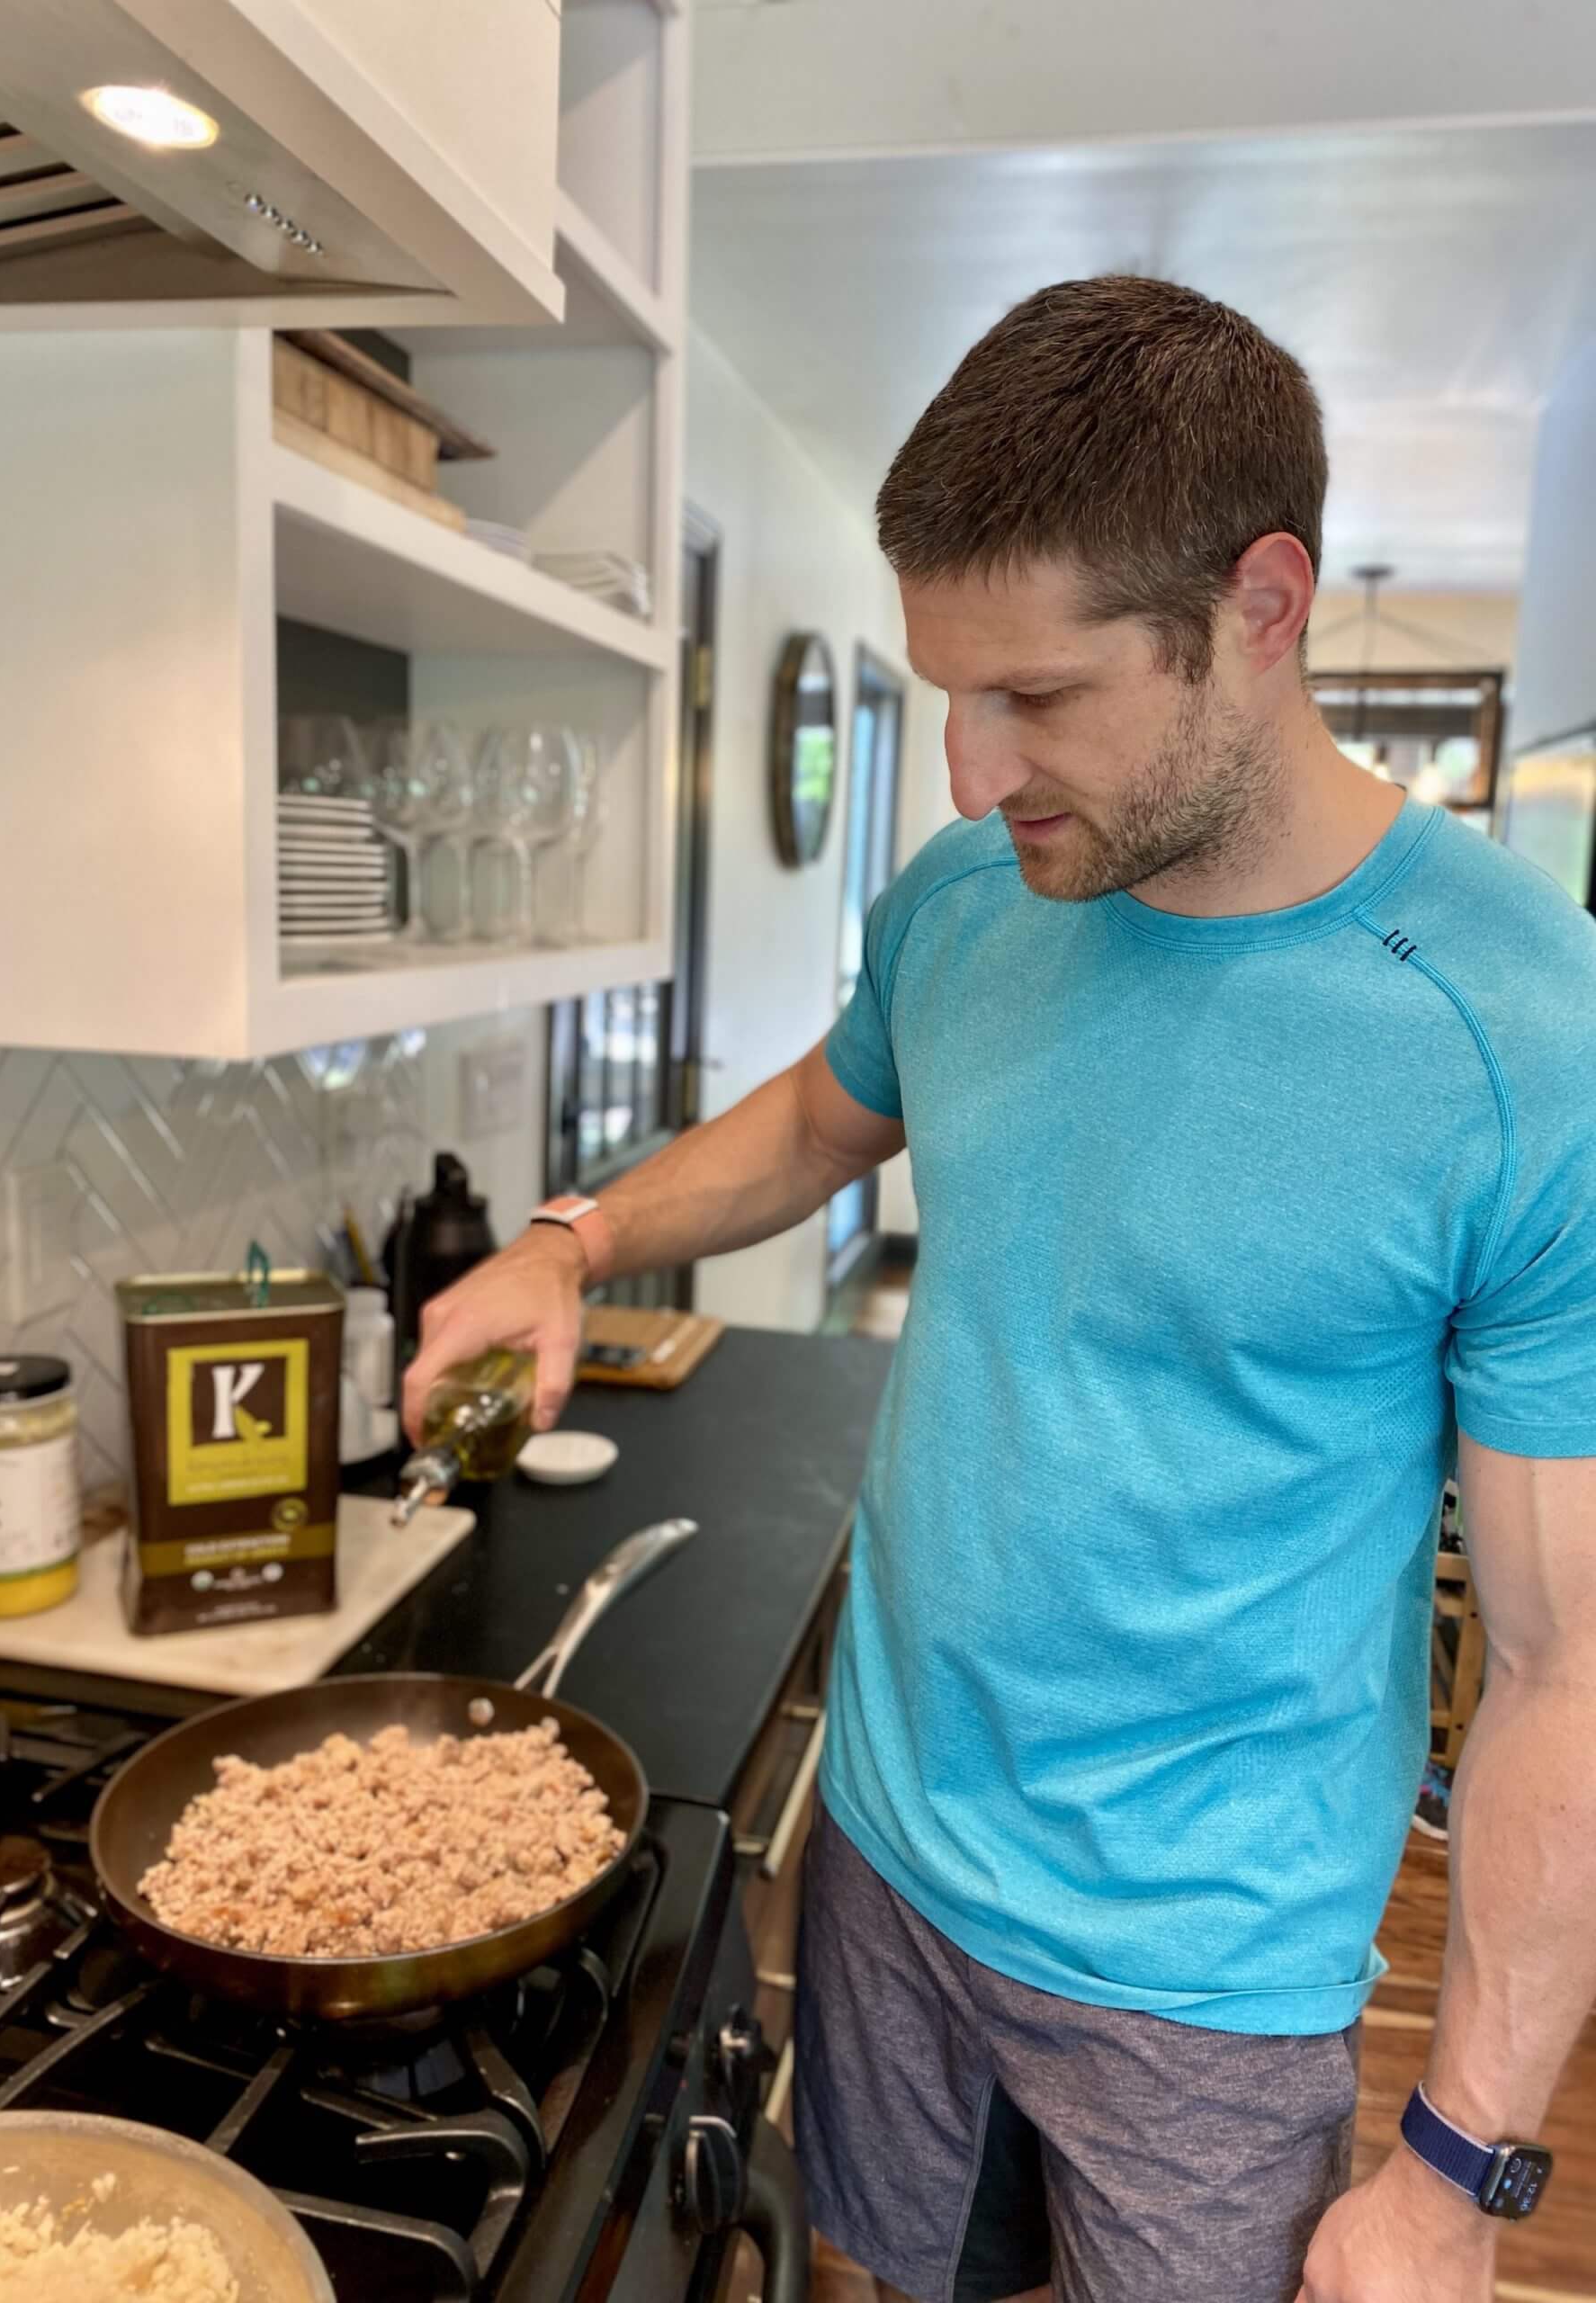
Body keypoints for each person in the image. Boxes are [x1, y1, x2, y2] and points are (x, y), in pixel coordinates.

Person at [403, 277, 1596, 2303]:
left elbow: (1565, 1669)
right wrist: (568, 1240)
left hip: (1205, 1971)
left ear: (1265, 603)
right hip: (884, 1849)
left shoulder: (1519, 1028)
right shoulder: (973, 898)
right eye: (946, 689)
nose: (970, 773)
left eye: (1036, 696)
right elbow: (821, 1115)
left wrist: (1456, 2164)